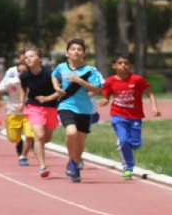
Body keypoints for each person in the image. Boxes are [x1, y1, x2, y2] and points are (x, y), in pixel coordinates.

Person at [98, 53, 161, 180]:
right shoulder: (110, 81)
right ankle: (128, 168)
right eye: (120, 63)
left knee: (135, 143)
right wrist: (104, 101)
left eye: (126, 64)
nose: (123, 66)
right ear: (114, 66)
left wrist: (155, 107)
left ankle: (131, 145)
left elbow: (150, 93)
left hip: (135, 116)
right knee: (123, 141)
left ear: (131, 66)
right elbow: (106, 96)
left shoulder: (137, 80)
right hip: (118, 116)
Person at [51, 38, 103, 183]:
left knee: (80, 141)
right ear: (67, 53)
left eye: (79, 49)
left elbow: (96, 89)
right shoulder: (61, 67)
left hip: (85, 109)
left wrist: (79, 81)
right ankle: (71, 161)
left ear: (84, 54)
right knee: (71, 132)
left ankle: (75, 164)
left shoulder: (90, 71)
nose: (76, 51)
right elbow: (54, 77)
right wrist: (56, 87)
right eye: (73, 49)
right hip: (66, 105)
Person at [18, 46, 61, 177]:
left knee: (46, 139)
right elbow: (24, 89)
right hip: (33, 107)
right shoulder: (24, 75)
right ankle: (42, 166)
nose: (28, 59)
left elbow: (59, 91)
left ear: (40, 59)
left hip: (51, 107)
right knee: (39, 136)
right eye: (26, 57)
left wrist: (47, 98)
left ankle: (37, 147)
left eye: (31, 56)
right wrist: (21, 102)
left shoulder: (50, 74)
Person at [0, 60, 34, 166]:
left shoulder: (33, 82)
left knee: (29, 136)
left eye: (24, 71)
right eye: (19, 71)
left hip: (29, 113)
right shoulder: (11, 82)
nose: (22, 74)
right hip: (13, 112)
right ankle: (19, 141)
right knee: (13, 138)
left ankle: (23, 156)